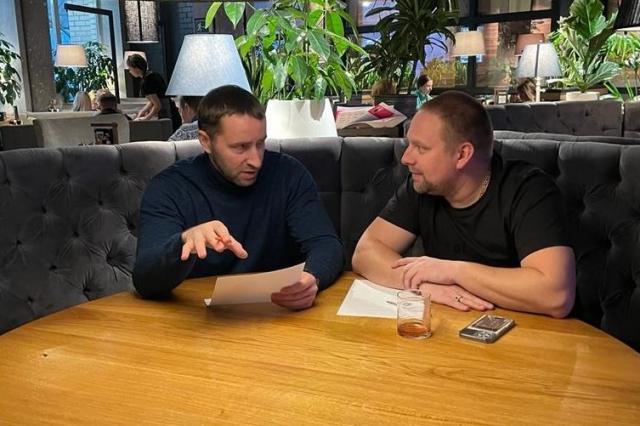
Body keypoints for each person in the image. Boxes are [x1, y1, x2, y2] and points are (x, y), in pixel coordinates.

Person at [352, 91, 576, 318]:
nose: (406, 158)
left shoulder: (527, 189)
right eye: (409, 144)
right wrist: (423, 285)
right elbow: (365, 252)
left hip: (529, 331)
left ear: (462, 154)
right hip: (452, 326)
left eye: (421, 148)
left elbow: (556, 295)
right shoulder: (422, 186)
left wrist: (452, 271)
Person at [133, 85, 344, 310]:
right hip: (196, 319)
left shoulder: (288, 175)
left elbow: (326, 244)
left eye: (260, 144)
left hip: (280, 314)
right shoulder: (169, 188)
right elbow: (145, 280)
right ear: (205, 141)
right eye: (240, 147)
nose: (256, 161)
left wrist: (311, 278)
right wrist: (184, 242)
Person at [126, 53, 180, 129]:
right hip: (172, 110)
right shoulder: (155, 75)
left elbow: (158, 105)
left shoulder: (146, 82)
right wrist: (142, 111)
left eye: (130, 69)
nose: (130, 71)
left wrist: (146, 118)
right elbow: (154, 100)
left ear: (136, 68)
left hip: (165, 114)